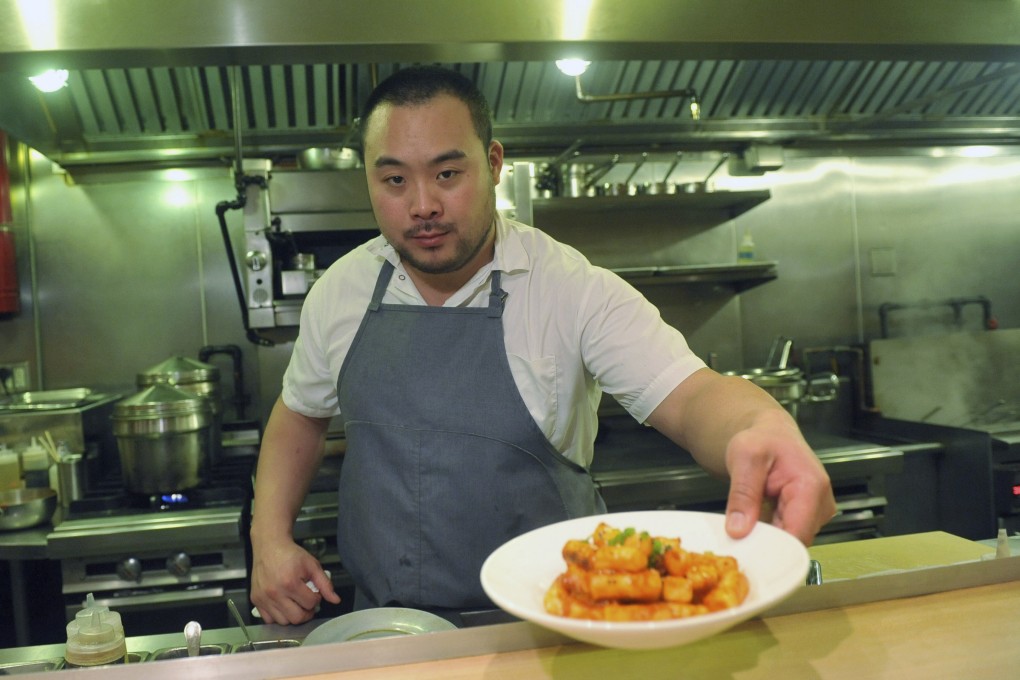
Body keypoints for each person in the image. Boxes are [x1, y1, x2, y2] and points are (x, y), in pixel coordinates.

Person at [249, 65, 836, 625]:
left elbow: (691, 397)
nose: (422, 204)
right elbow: (299, 413)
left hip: (557, 625)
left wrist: (761, 426)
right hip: (390, 630)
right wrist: (269, 536)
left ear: (494, 163)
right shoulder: (341, 291)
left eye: (448, 174)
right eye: (395, 180)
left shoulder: (569, 287)